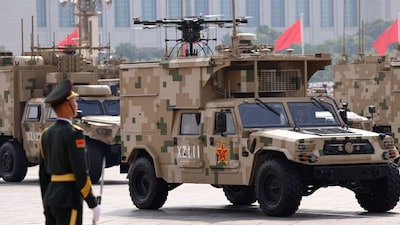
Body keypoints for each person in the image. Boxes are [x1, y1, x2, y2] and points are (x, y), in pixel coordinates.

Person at [39, 79, 100, 225]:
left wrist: (46, 202)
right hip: (69, 199)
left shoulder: (46, 135)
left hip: (50, 199)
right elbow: (80, 174)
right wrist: (92, 203)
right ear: (67, 105)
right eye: (74, 101)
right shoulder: (74, 134)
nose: (76, 104)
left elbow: (43, 177)